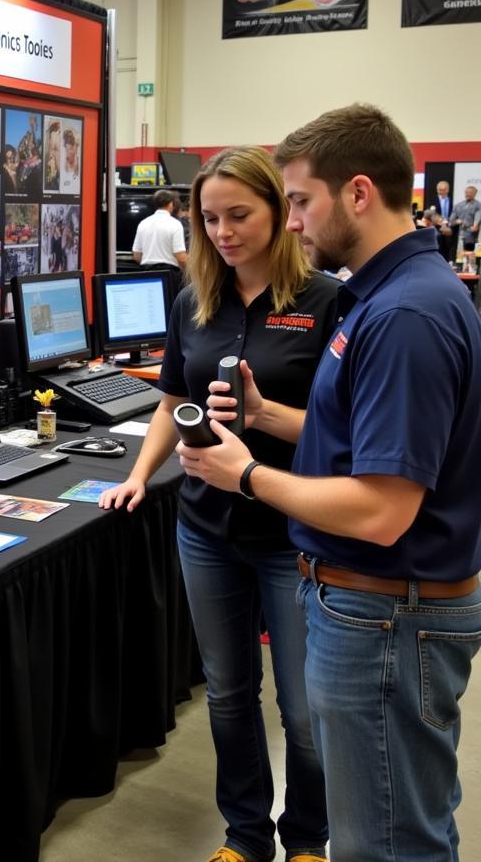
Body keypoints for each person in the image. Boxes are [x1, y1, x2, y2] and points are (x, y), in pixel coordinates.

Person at [180, 105, 481, 862]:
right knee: (394, 823)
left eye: (300, 202)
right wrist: (265, 416)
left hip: (382, 609)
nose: (292, 223)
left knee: (386, 841)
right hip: (374, 605)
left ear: (355, 194)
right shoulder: (386, 295)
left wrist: (244, 473)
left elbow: (381, 509)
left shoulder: (405, 312)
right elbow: (356, 443)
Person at [100, 146, 337, 862]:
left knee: (302, 709)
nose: (225, 231)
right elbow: (174, 398)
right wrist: (143, 471)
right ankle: (244, 836)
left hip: (292, 530)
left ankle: (305, 841)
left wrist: (266, 421)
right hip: (204, 527)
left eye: (240, 214)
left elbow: (345, 428)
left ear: (278, 210)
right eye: (210, 218)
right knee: (230, 694)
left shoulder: (327, 302)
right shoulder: (192, 299)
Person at [451, 183, 480, 272]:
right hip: (459, 235)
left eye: (470, 193)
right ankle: (460, 270)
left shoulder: (478, 205)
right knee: (459, 256)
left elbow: (478, 216)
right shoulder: (458, 205)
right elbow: (451, 220)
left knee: (471, 257)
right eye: (466, 192)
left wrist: (475, 225)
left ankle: (472, 270)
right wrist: (457, 221)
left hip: (472, 236)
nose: (467, 194)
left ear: (475, 194)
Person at [432, 179, 456, 262]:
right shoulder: (432, 200)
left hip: (450, 227)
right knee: (439, 244)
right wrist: (441, 223)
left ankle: (449, 262)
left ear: (448, 190)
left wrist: (448, 224)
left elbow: (455, 214)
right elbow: (431, 214)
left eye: (444, 190)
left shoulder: (453, 200)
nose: (441, 192)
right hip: (437, 227)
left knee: (450, 246)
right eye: (439, 190)